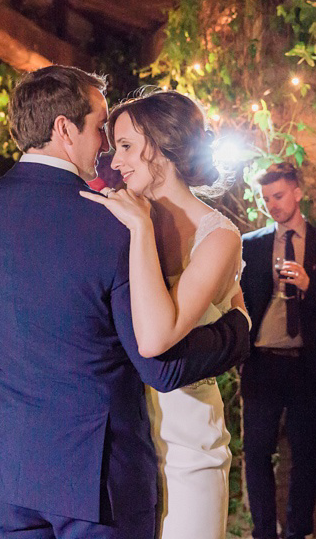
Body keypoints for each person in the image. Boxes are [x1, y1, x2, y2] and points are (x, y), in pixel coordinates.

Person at [0, 65, 251, 539]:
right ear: (64, 129)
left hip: (4, 468)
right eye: (99, 129)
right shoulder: (115, 221)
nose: (107, 149)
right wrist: (238, 330)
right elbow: (159, 364)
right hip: (92, 475)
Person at [81, 89, 245, 539]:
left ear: (163, 143)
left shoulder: (218, 237)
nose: (115, 162)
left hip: (188, 447)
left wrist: (139, 228)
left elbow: (157, 338)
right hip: (122, 444)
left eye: (127, 146)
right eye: (115, 148)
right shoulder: (118, 216)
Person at [239, 162, 316, 539]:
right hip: (263, 362)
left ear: (297, 192)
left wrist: (309, 285)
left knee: (305, 456)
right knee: (256, 452)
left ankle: (299, 532)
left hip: (309, 364)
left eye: (279, 196)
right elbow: (237, 302)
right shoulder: (252, 245)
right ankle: (263, 532)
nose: (272, 204)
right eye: (266, 198)